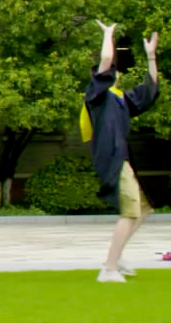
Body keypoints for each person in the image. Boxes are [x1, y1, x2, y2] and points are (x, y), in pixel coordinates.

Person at [84, 22, 159, 283]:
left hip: (124, 158)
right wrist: (108, 35)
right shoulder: (97, 96)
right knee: (130, 211)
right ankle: (109, 268)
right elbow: (106, 59)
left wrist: (151, 57)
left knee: (144, 208)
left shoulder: (120, 100)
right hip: (112, 158)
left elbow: (150, 90)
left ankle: (117, 257)